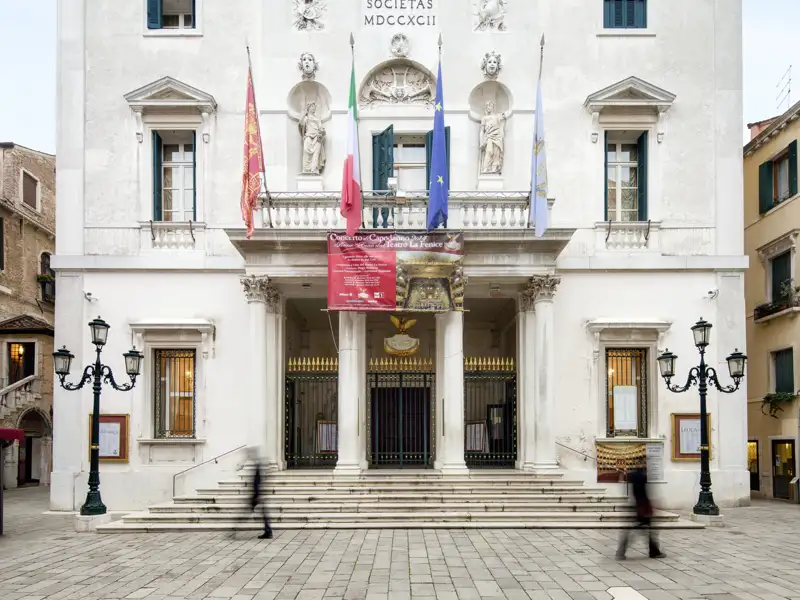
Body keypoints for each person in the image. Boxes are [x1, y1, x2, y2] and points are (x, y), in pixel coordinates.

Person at [617, 467, 665, 559]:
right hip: (643, 507)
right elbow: (643, 493)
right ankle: (653, 551)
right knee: (646, 531)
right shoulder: (642, 477)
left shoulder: (633, 476)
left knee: (645, 531)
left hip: (638, 506)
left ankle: (653, 551)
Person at [251, 458, 273, 539]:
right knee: (264, 514)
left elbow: (258, 484)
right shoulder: (260, 471)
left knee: (265, 514)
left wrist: (258, 495)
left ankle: (268, 531)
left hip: (260, 495)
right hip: (259, 495)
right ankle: (268, 531)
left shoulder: (259, 472)